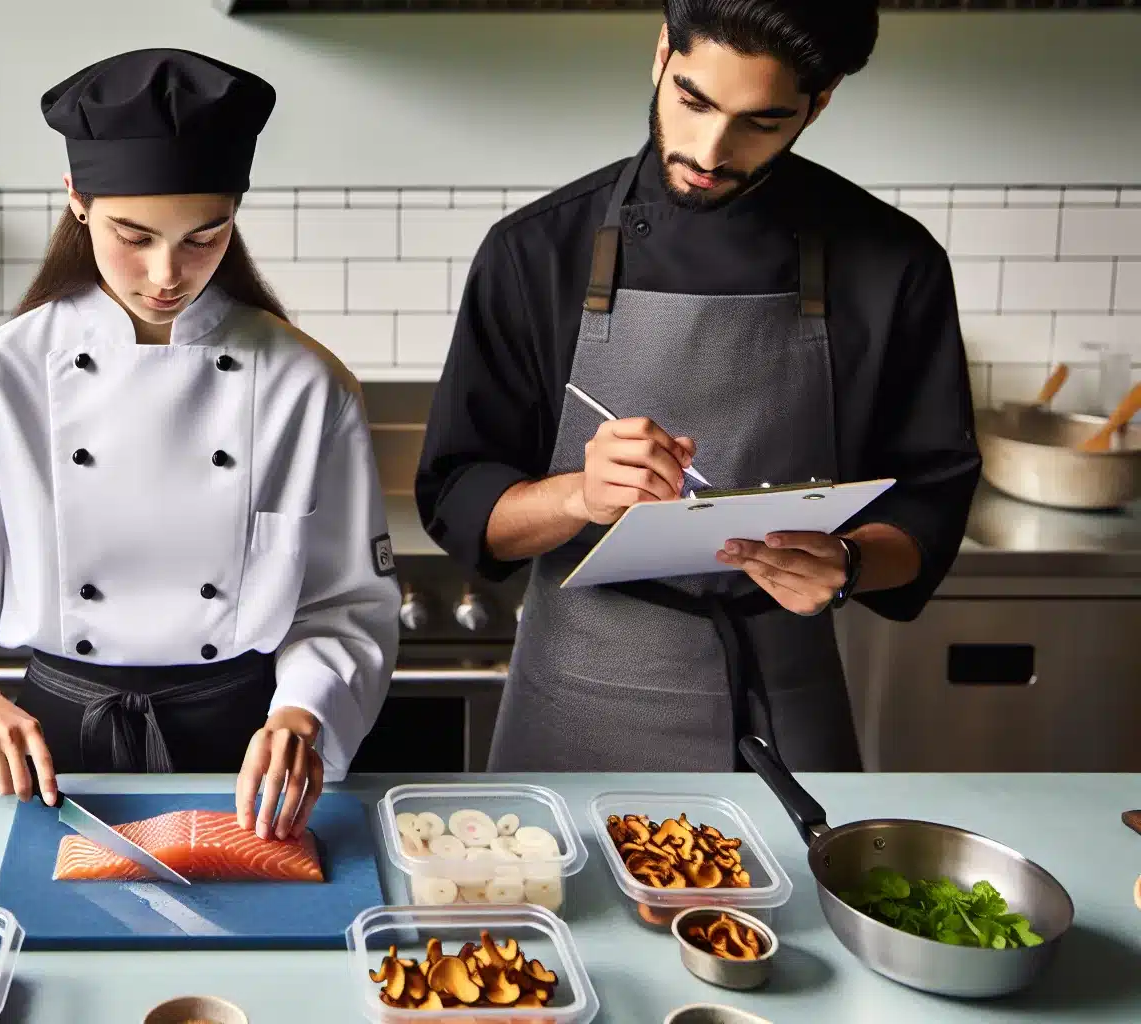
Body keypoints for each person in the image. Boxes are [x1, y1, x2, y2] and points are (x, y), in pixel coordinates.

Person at [414, 1, 981, 773]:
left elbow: (931, 499)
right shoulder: (537, 252)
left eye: (762, 121)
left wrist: (847, 562)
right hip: (572, 703)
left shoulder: (891, 264)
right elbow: (458, 500)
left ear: (820, 103)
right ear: (660, 54)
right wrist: (579, 495)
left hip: (786, 707)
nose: (711, 151)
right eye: (693, 100)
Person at [0, 48, 400, 840]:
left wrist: (304, 716)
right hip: (53, 756)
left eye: (204, 236)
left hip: (250, 756)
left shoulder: (308, 386)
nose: (166, 272)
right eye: (132, 235)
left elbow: (345, 605)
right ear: (77, 198)